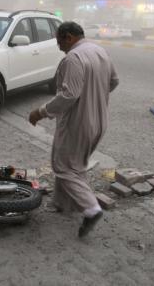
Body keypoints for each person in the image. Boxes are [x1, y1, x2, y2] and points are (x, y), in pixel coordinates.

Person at [29, 21, 119, 238]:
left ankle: (91, 209)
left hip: (77, 123)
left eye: (59, 41)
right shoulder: (99, 51)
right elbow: (114, 81)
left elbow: (69, 95)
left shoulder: (73, 58)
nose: (59, 46)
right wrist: (95, 93)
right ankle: (62, 203)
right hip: (99, 120)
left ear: (69, 37)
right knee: (74, 164)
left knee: (64, 167)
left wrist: (41, 112)